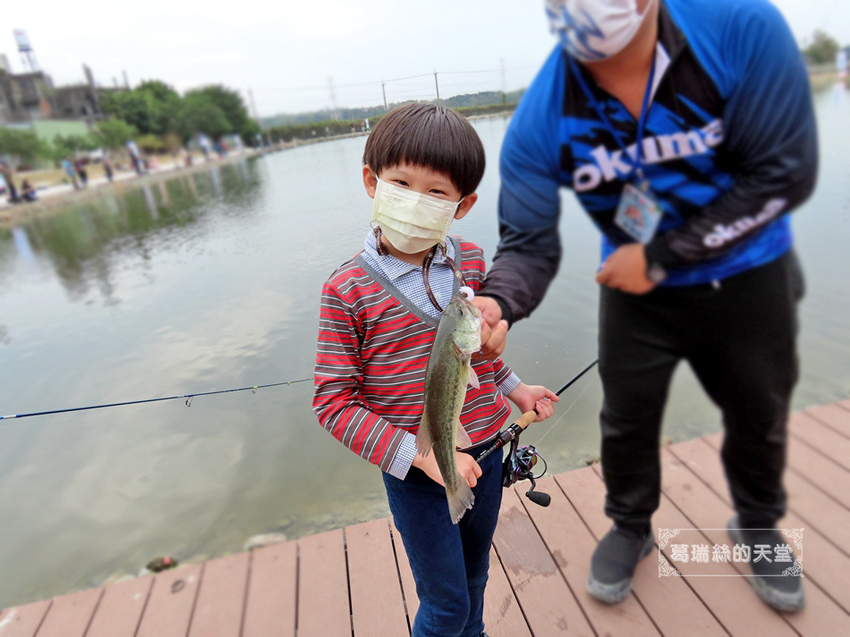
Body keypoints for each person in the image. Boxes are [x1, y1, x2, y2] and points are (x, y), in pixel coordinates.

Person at [476, 0, 818, 613]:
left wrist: (661, 255)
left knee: (759, 407)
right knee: (626, 417)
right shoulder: (544, 112)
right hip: (633, 288)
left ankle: (759, 522)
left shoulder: (741, 27)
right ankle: (631, 525)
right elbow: (527, 241)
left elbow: (786, 171)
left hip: (749, 271)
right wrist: (498, 300)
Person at [313, 103, 559, 637]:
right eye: (401, 183)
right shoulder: (347, 290)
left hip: (486, 454)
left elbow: (470, 355)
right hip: (417, 473)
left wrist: (515, 388)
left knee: (475, 578)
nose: (415, 201)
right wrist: (421, 457)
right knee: (444, 605)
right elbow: (332, 403)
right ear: (372, 182)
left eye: (437, 192)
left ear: (463, 204)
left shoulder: (470, 261)